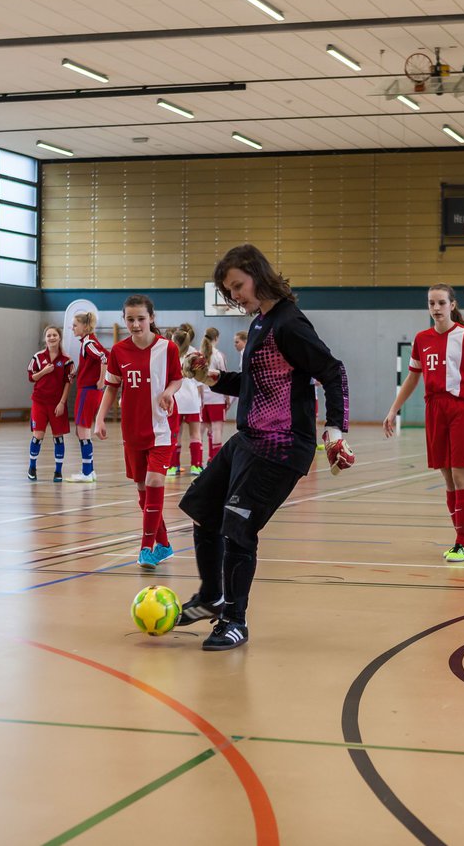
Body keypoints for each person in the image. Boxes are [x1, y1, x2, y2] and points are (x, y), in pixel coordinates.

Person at [178, 244, 353, 651]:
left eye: (238, 285)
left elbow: (333, 371)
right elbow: (255, 383)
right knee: (202, 509)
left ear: (258, 274)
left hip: (282, 446)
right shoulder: (260, 323)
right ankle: (212, 596)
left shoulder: (289, 324)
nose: (235, 295)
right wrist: (211, 377)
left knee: (238, 527)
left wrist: (336, 428)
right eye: (229, 290)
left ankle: (234, 621)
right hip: (249, 438)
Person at [382, 284, 464, 562]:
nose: (435, 308)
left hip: (461, 409)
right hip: (434, 409)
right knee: (447, 477)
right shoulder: (421, 339)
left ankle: (463, 542)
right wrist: (393, 410)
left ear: (452, 305)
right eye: (431, 303)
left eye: (440, 303)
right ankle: (461, 539)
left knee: (461, 475)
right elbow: (413, 377)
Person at [93, 295, 181, 569]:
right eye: (130, 319)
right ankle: (164, 545)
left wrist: (168, 391)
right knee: (144, 489)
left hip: (162, 428)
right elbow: (111, 387)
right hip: (132, 430)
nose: (135, 324)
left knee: (155, 482)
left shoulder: (167, 349)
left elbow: (177, 379)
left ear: (151, 318)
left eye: (141, 318)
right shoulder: (118, 351)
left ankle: (146, 548)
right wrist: (99, 418)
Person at [66, 311, 108, 483]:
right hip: (87, 389)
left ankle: (87, 472)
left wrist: (101, 380)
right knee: (81, 430)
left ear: (84, 326)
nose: (72, 328)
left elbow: (105, 357)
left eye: (75, 325)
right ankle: (89, 470)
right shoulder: (87, 342)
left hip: (88, 390)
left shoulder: (89, 342)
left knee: (83, 429)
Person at [27, 325, 73, 482]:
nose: (52, 338)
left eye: (54, 335)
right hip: (39, 401)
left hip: (56, 404)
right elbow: (31, 377)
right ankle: (32, 467)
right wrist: (44, 372)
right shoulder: (38, 357)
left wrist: (62, 403)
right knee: (37, 435)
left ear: (59, 337)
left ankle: (58, 471)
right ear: (45, 339)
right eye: (49, 335)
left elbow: (68, 383)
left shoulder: (67, 360)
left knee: (58, 437)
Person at [168, 323, 205, 477]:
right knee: (195, 434)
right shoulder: (196, 355)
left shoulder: (169, 353)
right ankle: (196, 466)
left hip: (175, 399)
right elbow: (200, 382)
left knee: (174, 434)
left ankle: (171, 466)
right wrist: (201, 401)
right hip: (191, 400)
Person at [199, 327, 230, 460]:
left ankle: (198, 460)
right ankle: (215, 459)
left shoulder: (198, 355)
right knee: (217, 429)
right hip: (216, 397)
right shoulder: (218, 355)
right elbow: (224, 377)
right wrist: (227, 397)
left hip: (203, 398)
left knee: (202, 430)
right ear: (216, 338)